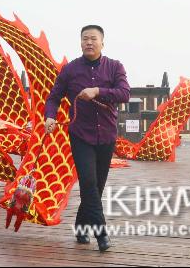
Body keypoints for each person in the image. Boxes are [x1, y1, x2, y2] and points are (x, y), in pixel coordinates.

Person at [44, 25, 130, 252]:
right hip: (80, 135)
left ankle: (81, 227)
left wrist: (98, 91)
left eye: (93, 39)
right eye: (85, 39)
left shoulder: (115, 67)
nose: (88, 42)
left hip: (107, 135)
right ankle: (102, 235)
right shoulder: (70, 70)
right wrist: (50, 117)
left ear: (102, 42)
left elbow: (124, 93)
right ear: (80, 43)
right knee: (88, 183)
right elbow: (53, 98)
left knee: (96, 187)